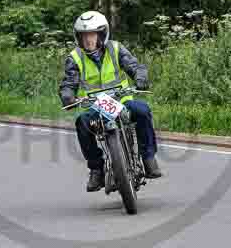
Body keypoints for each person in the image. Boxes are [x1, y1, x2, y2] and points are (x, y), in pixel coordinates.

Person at [59, 11, 163, 192]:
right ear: (78, 37)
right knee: (82, 123)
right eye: (84, 36)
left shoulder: (116, 49)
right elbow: (69, 82)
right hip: (95, 105)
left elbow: (134, 66)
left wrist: (140, 77)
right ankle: (96, 170)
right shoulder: (75, 57)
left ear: (102, 34)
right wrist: (68, 95)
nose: (88, 40)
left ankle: (148, 159)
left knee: (143, 110)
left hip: (122, 100)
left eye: (92, 35)